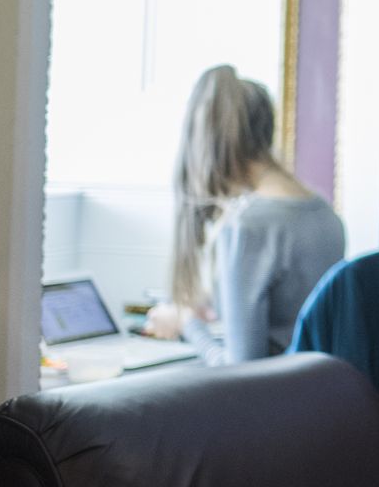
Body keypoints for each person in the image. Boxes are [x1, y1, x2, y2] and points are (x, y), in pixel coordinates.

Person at [143, 64, 345, 365]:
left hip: (272, 391)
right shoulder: (324, 213)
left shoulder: (246, 227)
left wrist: (187, 323)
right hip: (316, 387)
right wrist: (214, 299)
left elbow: (240, 369)